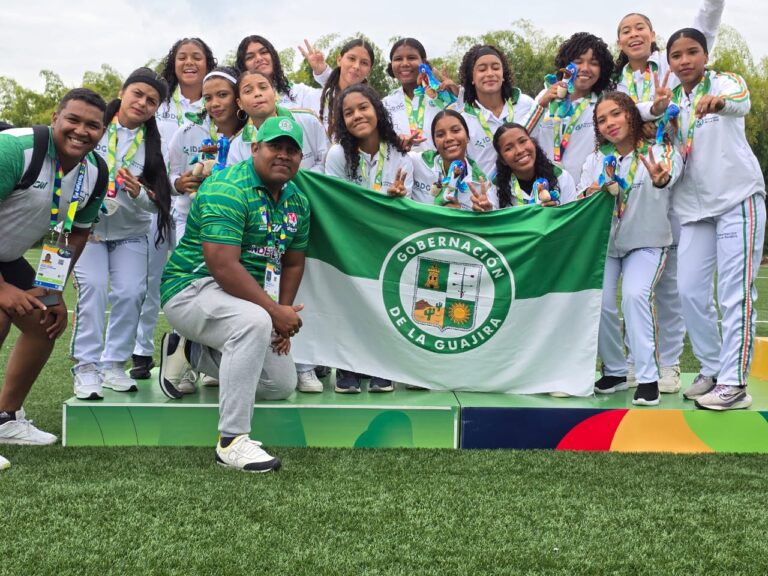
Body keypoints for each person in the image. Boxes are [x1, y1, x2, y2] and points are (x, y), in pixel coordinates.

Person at [159, 116, 308, 472]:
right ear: (255, 148)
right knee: (253, 321)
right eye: (275, 147)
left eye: (292, 150)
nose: (283, 156)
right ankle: (232, 441)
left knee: (280, 383)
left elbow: (291, 264)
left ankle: (189, 351)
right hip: (191, 288)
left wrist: (282, 314)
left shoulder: (298, 201)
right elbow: (222, 265)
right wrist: (272, 312)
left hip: (243, 298)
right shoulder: (227, 187)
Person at [614, 2, 725, 393]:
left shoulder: (670, 64)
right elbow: (619, 115)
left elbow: (703, 29)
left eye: (640, 26)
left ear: (653, 35)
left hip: (678, 179)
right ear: (620, 42)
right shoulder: (618, 84)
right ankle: (633, 360)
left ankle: (670, 365)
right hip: (638, 188)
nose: (634, 34)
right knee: (635, 289)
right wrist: (650, 108)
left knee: (671, 287)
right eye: (626, 30)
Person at [0, 88, 108, 446]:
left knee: (45, 318)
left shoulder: (95, 172)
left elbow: (76, 234)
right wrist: (2, 288)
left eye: (92, 125)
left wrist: (52, 288)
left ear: (102, 132)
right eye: (73, 120)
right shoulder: (16, 149)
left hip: (7, 254)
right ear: (55, 119)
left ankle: (5, 417)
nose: (81, 130)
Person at [665, 28, 765, 410]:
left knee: (734, 293)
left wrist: (719, 102)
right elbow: (673, 152)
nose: (685, 60)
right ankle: (710, 367)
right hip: (693, 209)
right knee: (689, 291)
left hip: (737, 199)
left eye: (692, 52)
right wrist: (663, 172)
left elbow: (741, 102)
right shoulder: (671, 102)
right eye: (677, 55)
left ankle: (734, 383)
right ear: (670, 63)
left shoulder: (726, 81)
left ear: (705, 56)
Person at [70, 68, 173, 400]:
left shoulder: (154, 145)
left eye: (152, 101)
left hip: (131, 234)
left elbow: (159, 205)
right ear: (123, 91)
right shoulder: (95, 130)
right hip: (88, 232)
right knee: (95, 289)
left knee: (131, 294)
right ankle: (86, 367)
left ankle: (113, 364)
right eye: (138, 94)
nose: (142, 104)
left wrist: (137, 192)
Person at [580, 92, 681, 406]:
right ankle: (615, 370)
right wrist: (595, 190)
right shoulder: (597, 159)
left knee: (636, 296)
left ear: (632, 116)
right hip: (607, 247)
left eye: (616, 114)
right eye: (601, 119)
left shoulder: (660, 151)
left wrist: (661, 180)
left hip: (648, 245)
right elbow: (583, 194)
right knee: (600, 301)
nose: (609, 123)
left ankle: (648, 377)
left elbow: (668, 178)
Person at [131, 37, 217, 381]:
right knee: (153, 278)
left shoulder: (218, 102)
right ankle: (142, 351)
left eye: (197, 57)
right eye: (183, 57)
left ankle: (197, 354)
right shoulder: (159, 103)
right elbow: (147, 155)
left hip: (201, 208)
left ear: (208, 63)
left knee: (198, 281)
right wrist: (173, 183)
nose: (190, 63)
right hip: (158, 201)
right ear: (174, 63)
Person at [325, 83, 412, 393]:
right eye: (348, 113)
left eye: (363, 107)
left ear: (377, 110)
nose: (357, 116)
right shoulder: (337, 155)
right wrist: (377, 200)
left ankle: (380, 365)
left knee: (381, 302)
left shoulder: (402, 155)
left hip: (386, 241)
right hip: (349, 241)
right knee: (349, 300)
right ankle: (347, 367)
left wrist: (398, 199)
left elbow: (408, 210)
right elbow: (335, 202)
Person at [529, 32, 615, 183]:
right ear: (565, 65)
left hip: (584, 195)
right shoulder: (544, 96)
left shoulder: (604, 104)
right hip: (546, 194)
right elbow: (522, 137)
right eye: (578, 61)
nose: (585, 68)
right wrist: (541, 105)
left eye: (594, 63)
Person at [458, 44, 541, 176]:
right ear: (472, 78)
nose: (490, 74)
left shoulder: (525, 104)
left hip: (531, 190)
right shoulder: (463, 120)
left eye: (496, 68)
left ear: (503, 74)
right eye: (482, 70)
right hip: (489, 194)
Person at [229, 70, 329, 172]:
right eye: (248, 91)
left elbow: (326, 163)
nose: (257, 93)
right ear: (240, 103)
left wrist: (297, 183)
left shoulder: (308, 120)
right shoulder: (236, 146)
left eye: (263, 87)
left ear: (274, 93)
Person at [383, 37, 462, 151]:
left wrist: (454, 93)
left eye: (411, 58)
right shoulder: (385, 104)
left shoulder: (443, 94)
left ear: (423, 62)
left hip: (441, 166)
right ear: (392, 64)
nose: (405, 63)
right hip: (403, 167)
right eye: (398, 59)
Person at [409, 109, 496, 212]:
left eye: (455, 131)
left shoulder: (481, 184)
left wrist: (484, 212)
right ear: (435, 143)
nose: (449, 138)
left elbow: (492, 220)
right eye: (440, 135)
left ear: (467, 137)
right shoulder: (417, 163)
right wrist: (399, 143)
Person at [235, 35, 331, 112]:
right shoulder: (242, 102)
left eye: (264, 52)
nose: (259, 58)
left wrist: (323, 72)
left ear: (273, 57)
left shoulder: (298, 93)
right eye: (250, 57)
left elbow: (337, 97)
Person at [493, 123, 578, 208]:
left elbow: (572, 216)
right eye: (509, 148)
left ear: (533, 143)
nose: (519, 151)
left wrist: (555, 212)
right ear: (502, 160)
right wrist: (485, 211)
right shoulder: (495, 189)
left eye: (522, 141)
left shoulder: (561, 177)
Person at [319, 38, 376, 138]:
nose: (356, 66)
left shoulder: (374, 106)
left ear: (370, 70)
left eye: (364, 63)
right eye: (351, 59)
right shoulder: (319, 97)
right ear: (339, 60)